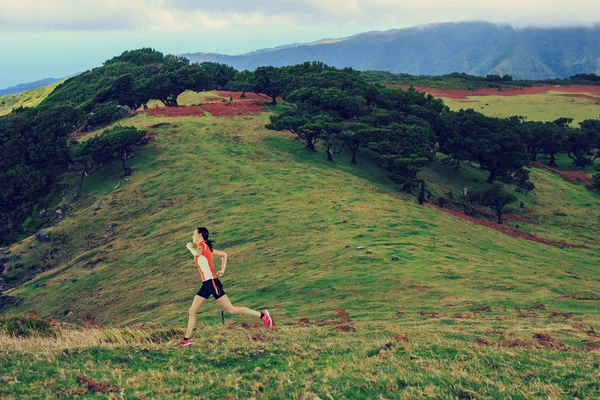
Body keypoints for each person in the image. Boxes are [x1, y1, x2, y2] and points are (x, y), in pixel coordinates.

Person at [177, 227, 273, 346]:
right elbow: (224, 254)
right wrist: (222, 270)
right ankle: (186, 340)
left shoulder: (202, 245)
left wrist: (189, 246)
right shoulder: (208, 248)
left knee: (232, 309)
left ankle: (262, 315)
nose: (192, 236)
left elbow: (197, 253)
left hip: (212, 283)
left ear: (200, 235)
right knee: (192, 311)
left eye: (194, 234)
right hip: (206, 284)